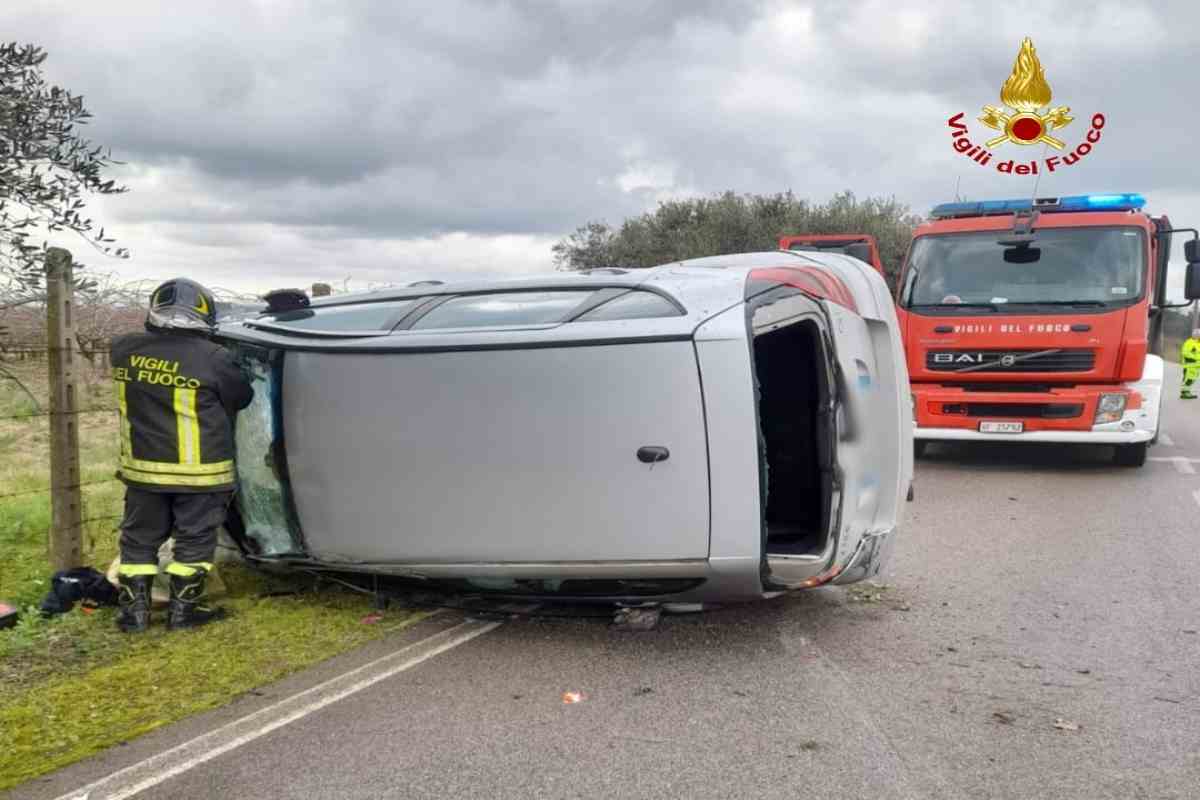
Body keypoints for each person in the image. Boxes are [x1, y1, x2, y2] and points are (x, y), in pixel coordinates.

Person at [111, 279, 253, 632]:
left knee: (138, 540)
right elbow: (241, 398)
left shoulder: (122, 349)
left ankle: (133, 615)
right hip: (200, 473)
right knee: (194, 540)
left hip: (142, 471)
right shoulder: (214, 358)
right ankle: (184, 613)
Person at [1182, 329, 1200, 400]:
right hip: (1190, 365)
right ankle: (1184, 393)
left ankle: (1187, 392)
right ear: (1196, 336)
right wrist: (1194, 358)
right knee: (1188, 379)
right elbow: (1185, 353)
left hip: (1196, 366)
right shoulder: (1189, 342)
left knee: (1192, 379)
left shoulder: (1198, 343)